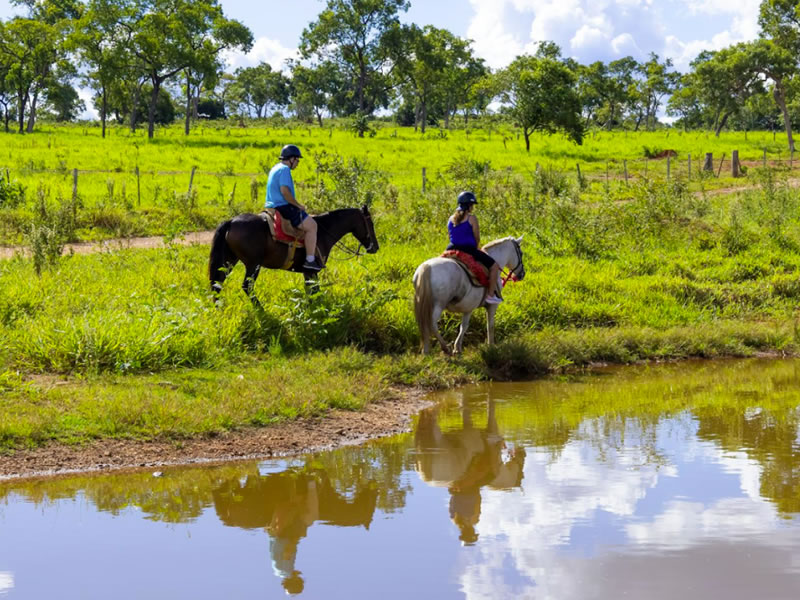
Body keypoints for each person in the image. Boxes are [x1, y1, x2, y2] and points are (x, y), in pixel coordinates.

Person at [265, 144, 323, 271]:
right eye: (297, 160)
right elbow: (285, 191)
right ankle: (310, 260)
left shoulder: (275, 168)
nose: (298, 163)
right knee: (312, 226)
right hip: (283, 207)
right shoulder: (285, 170)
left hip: (271, 206)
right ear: (291, 159)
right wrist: (298, 205)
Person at [447, 191, 502, 304]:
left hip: (451, 249)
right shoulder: (471, 218)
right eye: (472, 205)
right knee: (494, 266)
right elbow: (477, 238)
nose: (473, 207)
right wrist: (476, 249)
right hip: (468, 249)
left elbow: (450, 236)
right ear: (469, 205)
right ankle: (490, 295)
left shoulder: (451, 218)